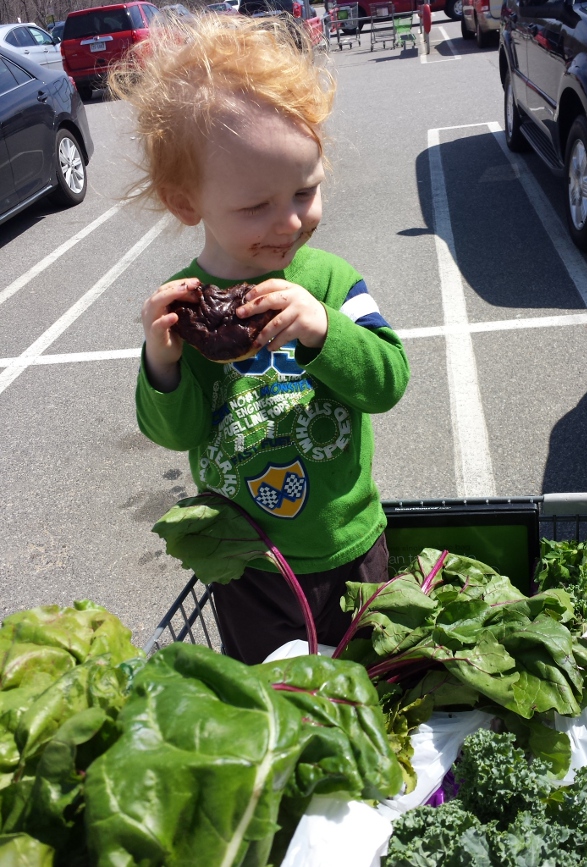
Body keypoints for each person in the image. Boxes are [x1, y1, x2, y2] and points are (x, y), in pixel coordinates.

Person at [110, 14, 410, 664]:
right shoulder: (185, 306)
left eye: (306, 190)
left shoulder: (330, 281)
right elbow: (178, 431)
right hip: (247, 564)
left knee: (374, 688)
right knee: (277, 699)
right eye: (256, 207)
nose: (290, 220)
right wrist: (162, 361)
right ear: (187, 202)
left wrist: (323, 331)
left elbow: (389, 378)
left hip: (351, 542)